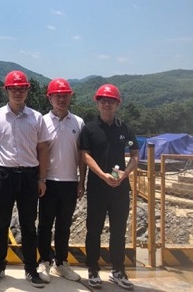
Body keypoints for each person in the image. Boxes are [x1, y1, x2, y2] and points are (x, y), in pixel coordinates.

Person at [0, 70, 50, 288]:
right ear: (6, 90)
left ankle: (31, 269)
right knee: (1, 223)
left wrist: (42, 178)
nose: (17, 92)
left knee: (29, 225)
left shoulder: (36, 117)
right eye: (13, 88)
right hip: (4, 174)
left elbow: (43, 149)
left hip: (30, 175)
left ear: (27, 91)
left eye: (22, 88)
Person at [80, 84, 139, 290]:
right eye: (103, 100)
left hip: (120, 187)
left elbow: (135, 155)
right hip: (97, 186)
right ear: (97, 104)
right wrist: (102, 175)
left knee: (118, 230)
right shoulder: (89, 129)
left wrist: (125, 173)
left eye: (111, 101)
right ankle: (93, 269)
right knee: (93, 229)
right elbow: (85, 155)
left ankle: (118, 270)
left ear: (117, 104)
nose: (107, 104)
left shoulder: (125, 129)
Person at [36, 78, 85, 283]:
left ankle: (61, 263)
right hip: (48, 181)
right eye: (57, 96)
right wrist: (40, 179)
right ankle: (44, 261)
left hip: (70, 181)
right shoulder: (41, 122)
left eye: (65, 95)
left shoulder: (78, 122)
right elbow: (37, 152)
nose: (61, 99)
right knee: (45, 224)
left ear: (70, 97)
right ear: (50, 98)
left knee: (64, 225)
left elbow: (82, 155)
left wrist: (81, 181)